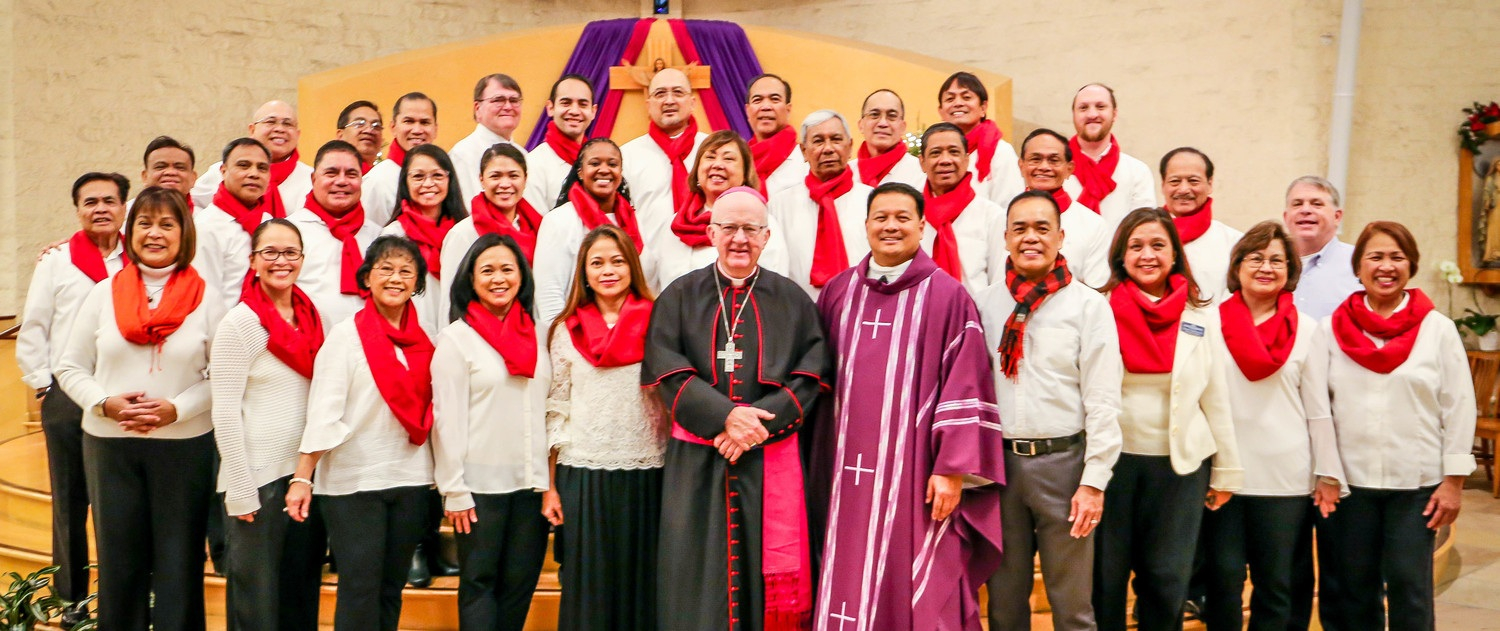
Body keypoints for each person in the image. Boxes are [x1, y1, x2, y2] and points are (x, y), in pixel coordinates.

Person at [811, 182, 1005, 629]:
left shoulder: (948, 297)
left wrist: (952, 467)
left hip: (915, 477)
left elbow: (966, 382)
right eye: (881, 217)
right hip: (842, 478)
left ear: (922, 225)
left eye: (902, 217)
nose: (891, 226)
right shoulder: (838, 293)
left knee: (914, 575)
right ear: (865, 226)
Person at [642, 186, 831, 629]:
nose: (740, 238)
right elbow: (665, 369)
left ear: (767, 236)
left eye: (751, 229)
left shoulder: (792, 299)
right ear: (711, 232)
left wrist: (755, 425)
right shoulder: (680, 295)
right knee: (696, 576)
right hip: (697, 463)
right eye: (729, 227)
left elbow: (812, 375)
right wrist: (725, 417)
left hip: (768, 458)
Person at [56, 186, 220, 630]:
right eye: (145, 223)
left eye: (167, 224)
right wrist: (104, 403)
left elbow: (222, 377)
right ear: (131, 232)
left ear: (184, 233)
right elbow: (68, 366)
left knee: (179, 564)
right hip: (111, 447)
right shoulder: (103, 293)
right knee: (119, 566)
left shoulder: (208, 297)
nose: (155, 233)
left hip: (184, 448)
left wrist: (178, 409)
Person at [1305, 221, 1474, 631]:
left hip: (1416, 486)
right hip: (1350, 486)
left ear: (1411, 265)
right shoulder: (1330, 330)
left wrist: (1453, 481)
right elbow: (1318, 407)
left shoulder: (1438, 330)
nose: (1386, 266)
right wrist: (1327, 471)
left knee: (1409, 588)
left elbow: (1459, 406)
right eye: (1375, 257)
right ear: (1358, 267)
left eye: (1396, 257)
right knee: (1354, 591)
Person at [977, 190, 1122, 631]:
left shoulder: (1088, 305)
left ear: (1061, 237)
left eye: (1042, 228)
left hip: (1065, 467)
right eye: (1020, 228)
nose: (1031, 238)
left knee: (1072, 605)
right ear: (1005, 238)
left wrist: (1094, 481)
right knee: (1003, 603)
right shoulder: (985, 304)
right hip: (1000, 470)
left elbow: (1103, 399)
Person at [1092, 207, 1242, 631]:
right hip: (1112, 466)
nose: (1147, 255)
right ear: (1120, 255)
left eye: (1158, 245)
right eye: (1136, 246)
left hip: (1180, 468)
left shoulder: (1200, 314)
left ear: (1175, 254)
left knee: (1167, 578)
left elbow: (1215, 395)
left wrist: (1226, 471)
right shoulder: (1097, 309)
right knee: (1105, 579)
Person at [285, 236, 436, 631]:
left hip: (412, 479)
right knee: (360, 589)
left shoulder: (426, 341)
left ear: (418, 282)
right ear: (367, 277)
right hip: (354, 484)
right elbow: (322, 411)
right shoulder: (346, 336)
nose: (395, 278)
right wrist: (303, 476)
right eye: (385, 268)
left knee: (391, 588)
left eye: (406, 271)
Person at [1202, 221, 1340, 631]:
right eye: (1256, 257)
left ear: (1290, 270)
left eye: (1277, 259)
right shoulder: (1207, 324)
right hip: (1222, 474)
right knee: (1223, 581)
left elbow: (1318, 409)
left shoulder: (1309, 331)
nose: (1266, 266)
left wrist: (1327, 471)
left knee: (1275, 586)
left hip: (1285, 479)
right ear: (1238, 265)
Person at [17, 172, 130, 627]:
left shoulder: (138, 259)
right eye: (90, 201)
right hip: (66, 395)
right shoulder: (57, 262)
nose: (100, 208)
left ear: (124, 206)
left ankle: (120, 599)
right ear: (77, 209)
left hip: (121, 395)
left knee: (118, 500)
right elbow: (35, 328)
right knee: (69, 501)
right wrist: (44, 386)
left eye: (109, 200)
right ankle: (72, 602)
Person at [544, 225, 666, 631]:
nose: (608, 270)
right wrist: (550, 486)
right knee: (588, 587)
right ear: (584, 272)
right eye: (597, 263)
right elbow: (556, 408)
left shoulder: (658, 323)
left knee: (643, 584)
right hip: (583, 472)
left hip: (647, 471)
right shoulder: (566, 330)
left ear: (632, 266)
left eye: (617, 261)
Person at [211, 218, 327, 631]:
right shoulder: (240, 324)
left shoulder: (314, 318)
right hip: (256, 480)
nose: (281, 261)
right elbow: (224, 411)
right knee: (255, 605)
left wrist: (308, 475)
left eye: (290, 252)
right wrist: (242, 491)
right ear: (253, 261)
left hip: (302, 478)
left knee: (299, 596)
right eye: (270, 253)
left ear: (302, 259)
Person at [432, 234, 551, 630]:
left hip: (531, 484)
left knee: (519, 586)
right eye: (487, 270)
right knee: (480, 586)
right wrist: (454, 488)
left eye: (507, 269)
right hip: (479, 486)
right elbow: (446, 420)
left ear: (522, 277)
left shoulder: (539, 335)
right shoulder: (456, 339)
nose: (498, 278)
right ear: (470, 278)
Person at [643, 130, 788, 291]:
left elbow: (774, 289)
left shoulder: (761, 225)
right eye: (710, 157)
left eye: (728, 158)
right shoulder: (675, 225)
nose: (717, 164)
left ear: (746, 174)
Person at [534, 138, 642, 323]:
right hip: (576, 336)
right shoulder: (557, 221)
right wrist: (561, 340)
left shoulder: (636, 220)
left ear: (621, 172)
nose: (604, 169)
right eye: (594, 163)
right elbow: (549, 294)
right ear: (580, 172)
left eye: (612, 164)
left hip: (629, 332)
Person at [767, 110, 872, 299]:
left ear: (849, 147)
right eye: (818, 141)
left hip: (861, 309)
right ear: (803, 151)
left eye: (836, 139)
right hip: (799, 313)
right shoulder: (779, 206)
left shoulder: (872, 201)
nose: (828, 148)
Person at [289, 140, 381, 326]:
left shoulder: (377, 235)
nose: (341, 181)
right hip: (309, 344)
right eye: (331, 173)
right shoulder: (290, 232)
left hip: (369, 345)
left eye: (351, 174)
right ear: (314, 179)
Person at [441, 143, 544, 308]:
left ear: (525, 179)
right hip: (475, 329)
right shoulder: (464, 233)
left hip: (528, 327)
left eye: (513, 176)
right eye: (495, 176)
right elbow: (449, 299)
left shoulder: (540, 230)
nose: (505, 184)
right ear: (481, 180)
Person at [381, 143, 467, 336]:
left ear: (449, 180)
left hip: (460, 338)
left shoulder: (465, 232)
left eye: (437, 175)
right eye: (418, 176)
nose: (428, 184)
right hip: (410, 338)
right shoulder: (393, 236)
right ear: (405, 182)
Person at [916, 122, 1006, 293]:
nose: (945, 160)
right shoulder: (911, 215)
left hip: (975, 316)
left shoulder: (992, 216)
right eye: (935, 153)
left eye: (954, 152)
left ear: (966, 160)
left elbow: (999, 284)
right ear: (922, 162)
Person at [1016, 128, 1111, 288]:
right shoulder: (1000, 219)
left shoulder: (1093, 225)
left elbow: (1097, 289)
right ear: (1021, 166)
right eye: (1035, 159)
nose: (1044, 167)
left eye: (1054, 160)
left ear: (1069, 169)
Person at [620, 68, 707, 242]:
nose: (669, 100)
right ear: (648, 105)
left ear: (692, 103)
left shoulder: (713, 150)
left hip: (707, 258)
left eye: (678, 92)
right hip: (650, 262)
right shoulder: (626, 156)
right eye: (660, 94)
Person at [195, 137, 276, 315]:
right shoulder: (205, 227)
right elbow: (204, 297)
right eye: (243, 165)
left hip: (268, 329)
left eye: (262, 168)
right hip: (222, 333)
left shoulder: (269, 224)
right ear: (223, 171)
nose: (254, 173)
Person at [191, 100, 312, 215]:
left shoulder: (311, 178)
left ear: (297, 134)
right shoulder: (225, 171)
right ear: (252, 130)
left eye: (288, 124)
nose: (280, 129)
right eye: (270, 122)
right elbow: (190, 203)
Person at [1062, 84, 1156, 228]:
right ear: (1073, 114)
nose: (1092, 114)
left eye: (1100, 107)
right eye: (1083, 108)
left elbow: (1143, 230)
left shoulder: (1138, 172)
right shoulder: (1055, 170)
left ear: (1114, 114)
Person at [1159, 147, 1242, 304]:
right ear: (1163, 185)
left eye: (1193, 181)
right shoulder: (1144, 238)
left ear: (1210, 184)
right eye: (1175, 181)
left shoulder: (1235, 243)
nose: (1184, 189)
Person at [937, 71, 1023, 208]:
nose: (958, 103)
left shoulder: (1000, 151)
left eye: (966, 97)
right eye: (950, 99)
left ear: (983, 108)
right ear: (941, 111)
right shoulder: (934, 152)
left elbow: (1011, 205)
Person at [1282, 176, 1361, 318]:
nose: (1305, 210)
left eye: (1316, 204)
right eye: (1297, 204)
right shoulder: (1270, 266)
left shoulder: (1359, 263)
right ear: (1286, 217)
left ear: (1337, 217)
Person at [452, 74, 527, 207]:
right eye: (498, 100)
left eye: (514, 100)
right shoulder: (462, 154)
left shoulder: (523, 154)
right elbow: (467, 210)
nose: (508, 107)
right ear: (477, 108)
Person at [365, 92, 439, 226]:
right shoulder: (377, 181)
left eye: (425, 122)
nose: (417, 130)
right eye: (408, 121)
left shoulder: (444, 176)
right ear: (393, 127)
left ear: (435, 129)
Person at [525, 74, 598, 211]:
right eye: (566, 103)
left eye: (583, 104)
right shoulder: (533, 164)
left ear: (593, 111)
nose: (575, 111)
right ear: (550, 108)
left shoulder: (600, 163)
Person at [745, 73, 807, 197]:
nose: (766, 106)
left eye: (775, 99)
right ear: (748, 110)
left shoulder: (806, 161)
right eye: (757, 100)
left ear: (788, 110)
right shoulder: (739, 162)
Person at [850, 89, 925, 188]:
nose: (883, 123)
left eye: (891, 116)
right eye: (874, 115)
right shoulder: (848, 173)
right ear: (861, 125)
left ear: (903, 127)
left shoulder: (920, 173)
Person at [139, 136, 198, 207]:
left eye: (179, 167)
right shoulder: (128, 215)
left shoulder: (206, 217)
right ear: (145, 176)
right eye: (160, 167)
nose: (170, 172)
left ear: (193, 178)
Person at [335, 100, 384, 173]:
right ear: (340, 135)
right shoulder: (329, 176)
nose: (369, 130)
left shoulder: (387, 177)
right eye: (359, 124)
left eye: (376, 125)